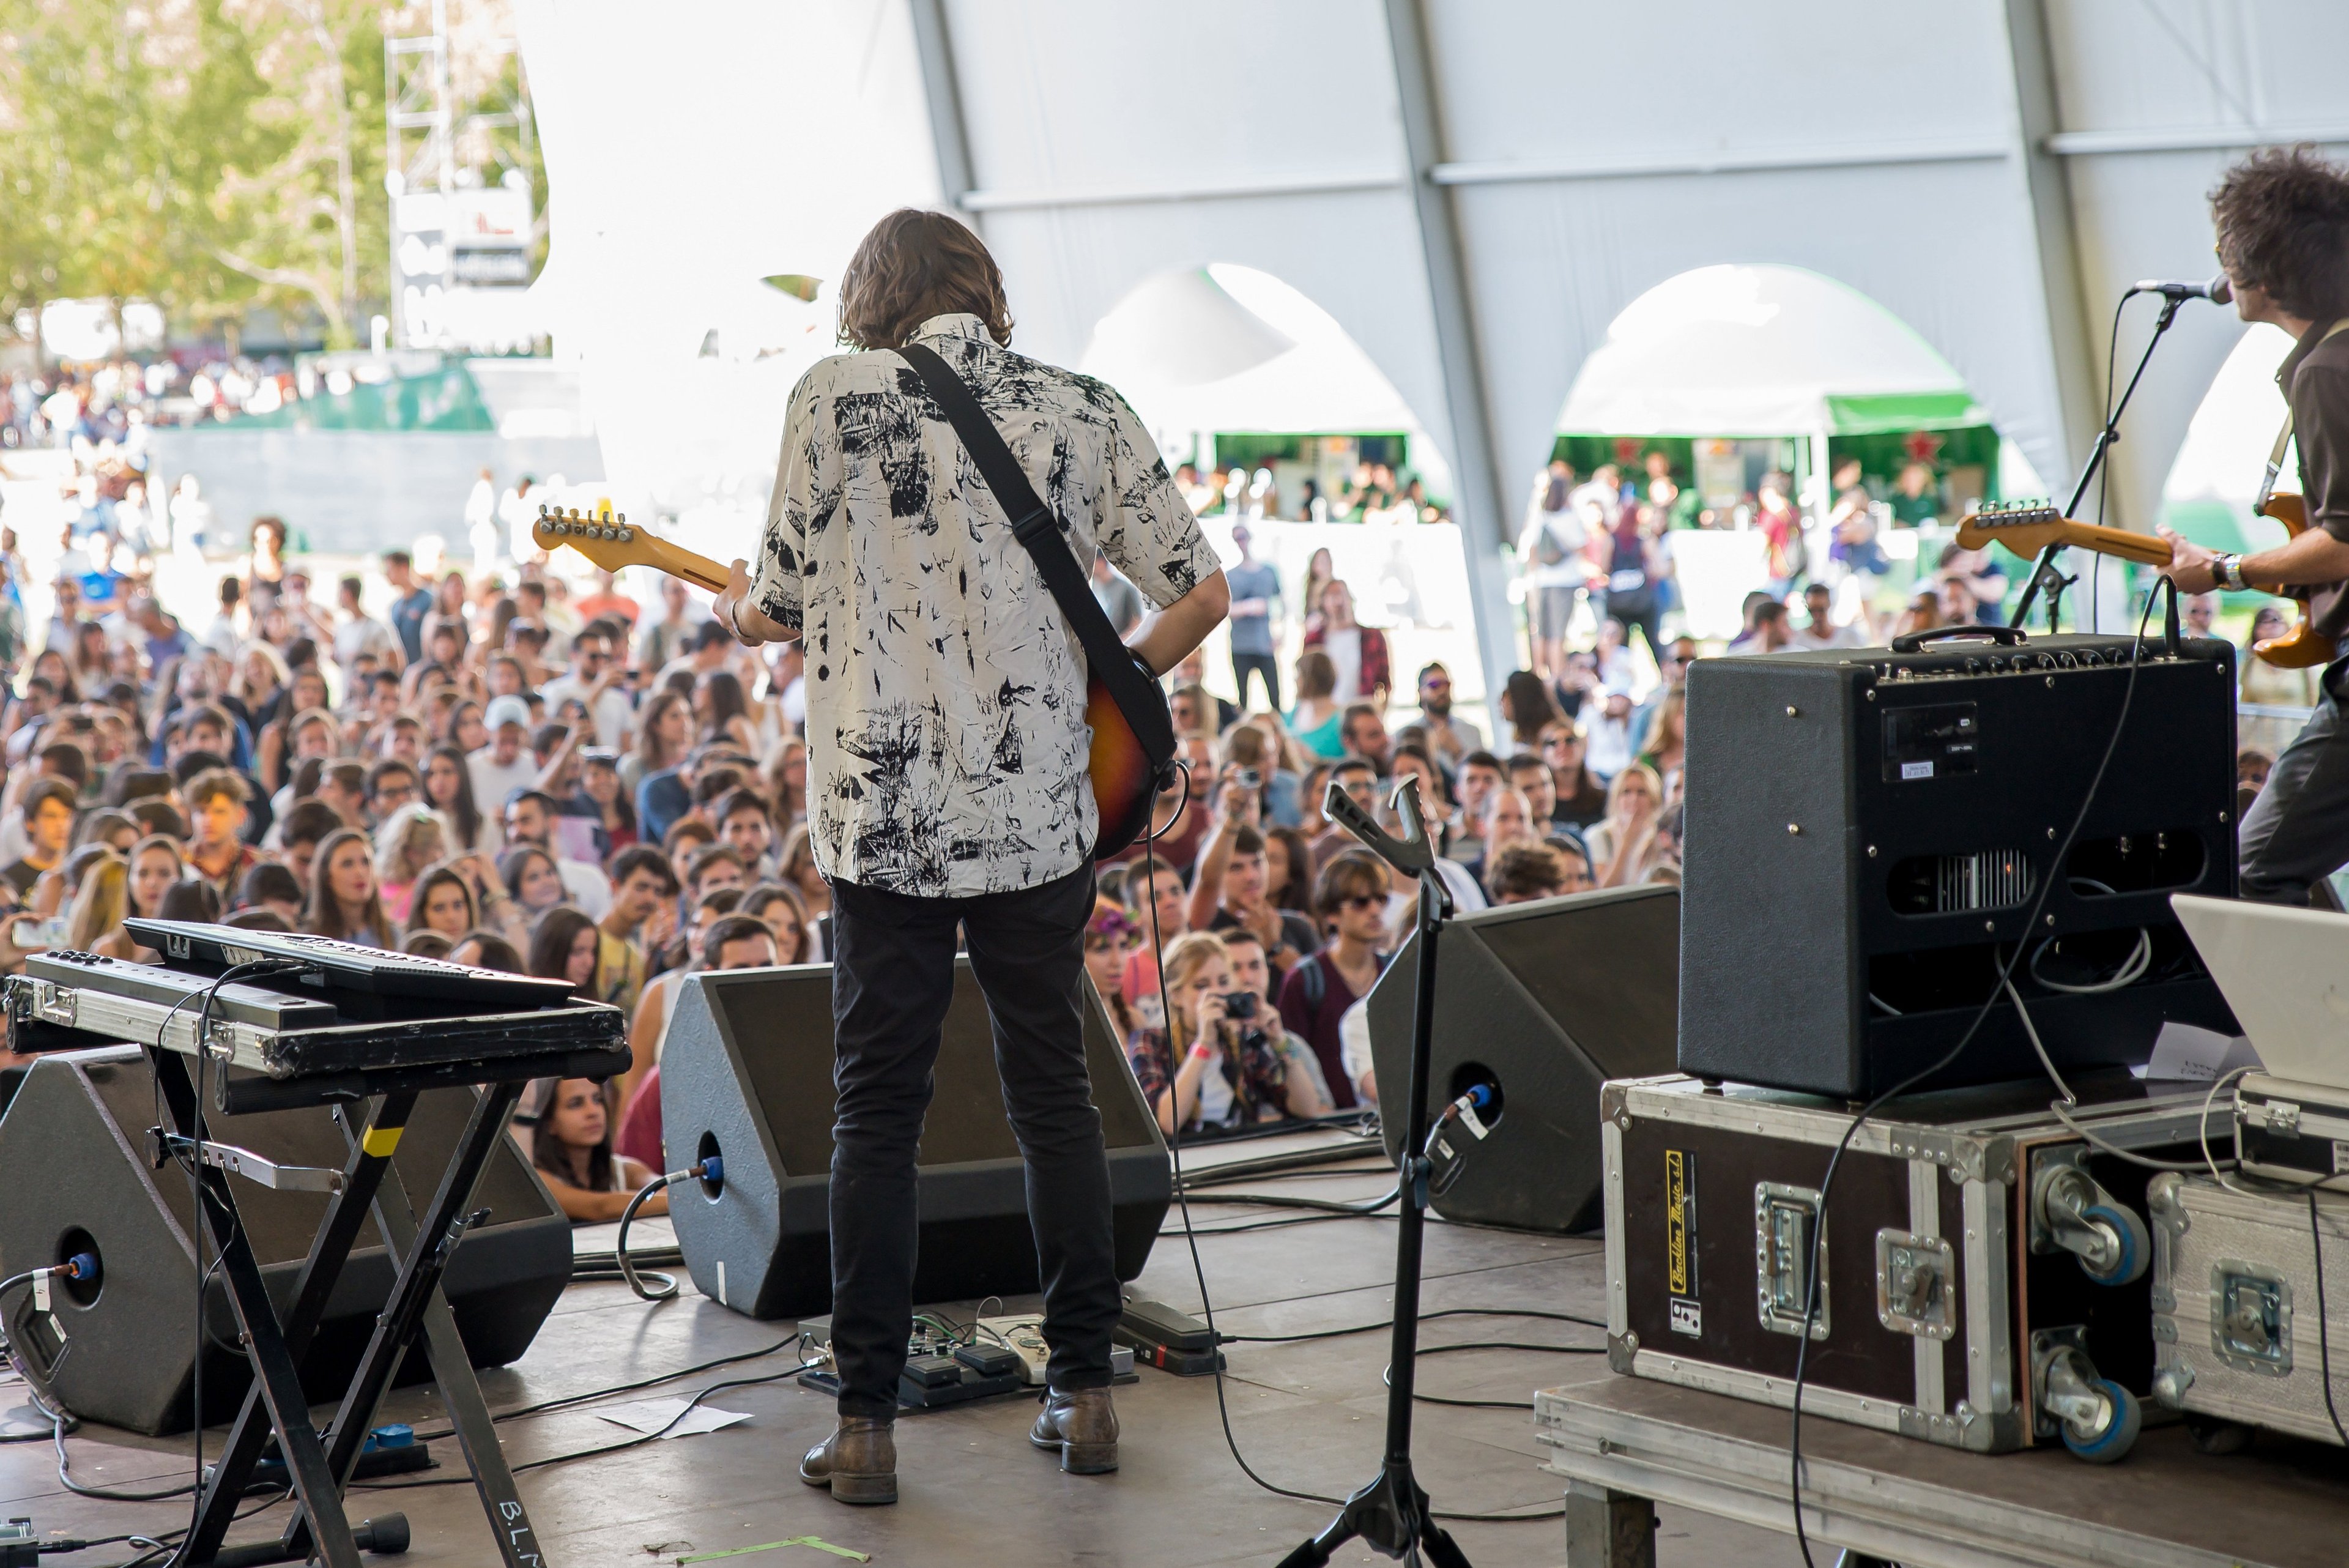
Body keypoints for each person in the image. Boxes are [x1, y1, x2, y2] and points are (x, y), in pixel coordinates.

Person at [708, 208, 1228, 1502]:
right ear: (982, 292)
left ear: (870, 298)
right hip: (1040, 814)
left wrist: (740, 610)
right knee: (1053, 1090)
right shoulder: (1082, 404)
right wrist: (1102, 699)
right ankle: (1088, 1395)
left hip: (880, 820)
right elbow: (1201, 594)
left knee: (874, 1110)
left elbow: (774, 605)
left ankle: (870, 1427)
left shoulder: (831, 398)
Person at [2156, 147, 2349, 906]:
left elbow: (2343, 538)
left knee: (2255, 866)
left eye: (2225, 250)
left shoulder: (2329, 371)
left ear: (2263, 268)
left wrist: (2227, 571)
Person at [1126, 931, 1324, 1139]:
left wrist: (1280, 1042)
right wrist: (1203, 1045)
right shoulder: (1150, 1041)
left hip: (1242, 1158)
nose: (1217, 993)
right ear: (1176, 995)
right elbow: (1166, 1123)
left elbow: (1307, 1109)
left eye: (1223, 982)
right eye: (1201, 986)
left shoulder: (1240, 1040)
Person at [1275, 852, 1387, 1110]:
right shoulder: (1304, 980)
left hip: (1387, 1119)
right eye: (1361, 902)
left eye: (1381, 899)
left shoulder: (1396, 970)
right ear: (1331, 914)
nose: (1375, 910)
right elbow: (1290, 1057)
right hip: (1329, 1125)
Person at [525, 1077, 664, 1224]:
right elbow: (599, 1208)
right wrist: (675, 1203)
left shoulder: (626, 1170)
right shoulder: (538, 1180)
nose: (593, 1112)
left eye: (598, 1100)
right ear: (549, 1121)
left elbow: (670, 1190)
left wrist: (678, 1197)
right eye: (576, 1104)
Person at [1520, 461, 1589, 677]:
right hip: (1564, 581)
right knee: (1558, 635)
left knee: (1540, 632)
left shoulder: (1539, 516)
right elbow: (1581, 547)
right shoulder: (1570, 518)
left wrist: (1532, 575)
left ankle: (1538, 674)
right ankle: (1557, 676)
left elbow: (1532, 549)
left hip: (1542, 580)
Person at [1223, 521, 1283, 712]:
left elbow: (1280, 603)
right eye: (1236, 539)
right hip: (1241, 645)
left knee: (1275, 697)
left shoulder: (1268, 572)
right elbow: (1224, 609)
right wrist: (1248, 608)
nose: (1241, 543)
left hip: (1264, 643)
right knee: (1243, 699)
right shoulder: (1230, 576)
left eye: (1243, 537)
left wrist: (1281, 632)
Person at [305, 826, 396, 947]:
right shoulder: (309, 939)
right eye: (347, 864)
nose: (360, 872)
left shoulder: (393, 935)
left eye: (366, 862)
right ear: (327, 876)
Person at [1301, 579, 1388, 704]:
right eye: (1332, 596)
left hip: (1360, 710)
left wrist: (1381, 710)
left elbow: (1384, 682)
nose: (1338, 601)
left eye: (1342, 594)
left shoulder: (1372, 637)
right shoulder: (1314, 640)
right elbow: (1306, 678)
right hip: (1326, 713)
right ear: (1323, 602)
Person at [1395, 661, 1482, 770]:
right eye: (1434, 685)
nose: (1442, 691)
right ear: (1421, 692)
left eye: (1446, 684)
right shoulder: (1405, 736)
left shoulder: (1472, 732)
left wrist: (1458, 752)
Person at [1286, 650, 1345, 760]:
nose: (1295, 680)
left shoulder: (1342, 719)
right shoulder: (1293, 712)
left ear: (1312, 679)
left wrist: (1316, 760)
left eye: (1299, 675)